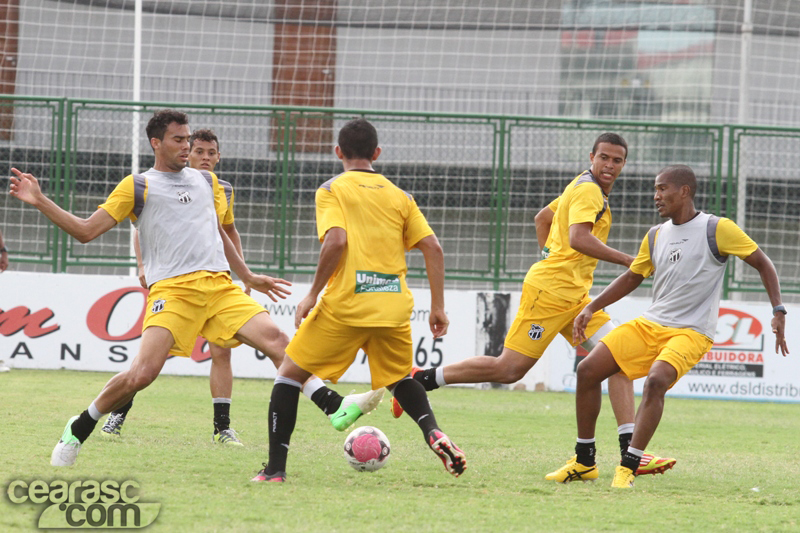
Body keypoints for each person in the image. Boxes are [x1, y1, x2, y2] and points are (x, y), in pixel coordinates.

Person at [9, 109, 383, 467]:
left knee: (279, 342)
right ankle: (80, 426)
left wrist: (248, 276)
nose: (186, 146)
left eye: (188, 138)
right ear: (156, 143)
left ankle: (334, 405)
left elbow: (217, 230)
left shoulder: (207, 181)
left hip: (219, 286)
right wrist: (40, 200)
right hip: (173, 291)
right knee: (143, 374)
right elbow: (86, 231)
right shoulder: (138, 185)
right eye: (178, 140)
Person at [397, 133, 677, 479]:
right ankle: (419, 380)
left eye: (617, 160)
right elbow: (578, 237)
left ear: (623, 164)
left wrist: (550, 255)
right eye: (604, 157)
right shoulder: (588, 191)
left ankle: (627, 452)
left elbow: (541, 218)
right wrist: (629, 261)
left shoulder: (582, 184)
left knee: (617, 357)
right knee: (509, 369)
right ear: (592, 156)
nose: (609, 165)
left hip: (573, 296)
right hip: (550, 295)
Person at [252, 118, 466, 483]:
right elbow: (433, 247)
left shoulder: (332, 189)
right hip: (393, 304)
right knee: (400, 378)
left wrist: (312, 294)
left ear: (338, 152)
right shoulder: (401, 196)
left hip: (348, 304)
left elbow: (336, 241)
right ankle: (434, 432)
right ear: (377, 153)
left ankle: (275, 470)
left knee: (288, 375)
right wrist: (438, 306)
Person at [551, 164, 789, 488]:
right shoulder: (655, 234)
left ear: (684, 191)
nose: (656, 196)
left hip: (692, 331)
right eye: (655, 189)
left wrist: (778, 310)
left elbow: (763, 262)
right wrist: (592, 307)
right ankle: (584, 460)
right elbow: (633, 277)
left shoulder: (717, 228)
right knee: (588, 370)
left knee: (656, 379)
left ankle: (628, 466)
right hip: (651, 323)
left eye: (662, 189)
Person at [101, 129, 249, 446]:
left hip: (214, 282)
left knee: (222, 350)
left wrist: (242, 276)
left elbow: (229, 232)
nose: (205, 157)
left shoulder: (222, 189)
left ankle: (222, 427)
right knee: (151, 359)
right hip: (176, 285)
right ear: (187, 154)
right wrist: (143, 266)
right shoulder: (161, 186)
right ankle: (117, 412)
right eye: (198, 151)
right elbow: (141, 229)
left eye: (212, 152)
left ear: (219, 156)